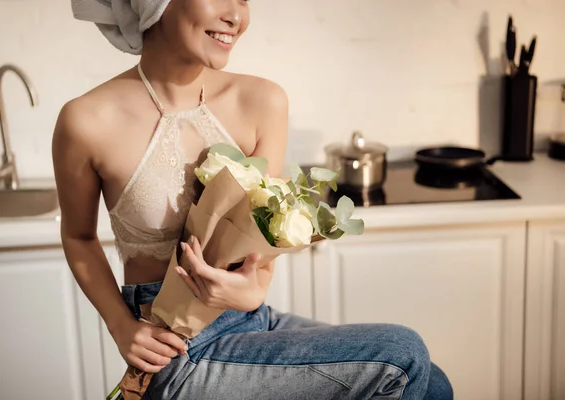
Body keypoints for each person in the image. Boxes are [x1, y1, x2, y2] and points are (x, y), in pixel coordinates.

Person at [54, 0, 454, 399]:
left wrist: (252, 290)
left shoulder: (263, 101)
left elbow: (265, 236)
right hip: (174, 345)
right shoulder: (86, 120)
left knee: (433, 383)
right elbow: (79, 238)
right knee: (402, 354)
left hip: (248, 320)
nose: (236, 15)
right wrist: (121, 327)